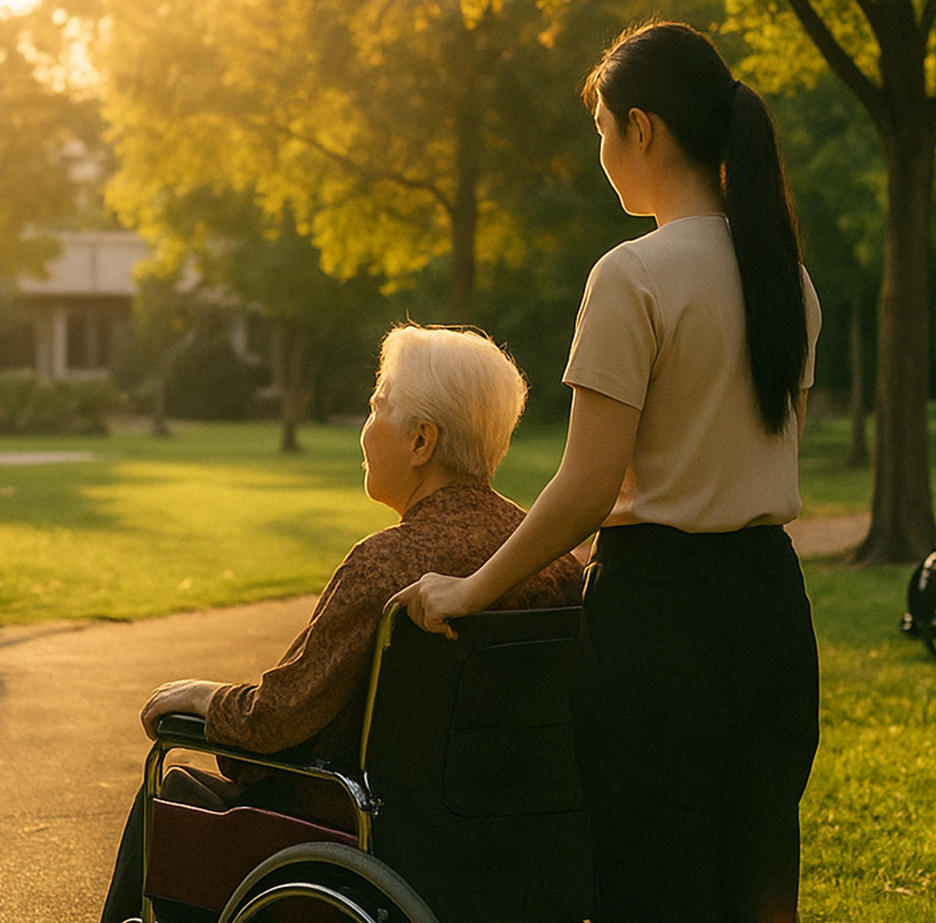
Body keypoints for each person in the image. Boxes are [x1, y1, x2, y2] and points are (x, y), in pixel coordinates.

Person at [393, 21, 822, 923]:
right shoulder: (786, 277)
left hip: (660, 624)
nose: (600, 153)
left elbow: (589, 488)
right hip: (772, 612)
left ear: (642, 129)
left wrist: (471, 588)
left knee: (652, 887)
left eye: (600, 129)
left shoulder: (633, 276)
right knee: (757, 888)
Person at [98, 325, 585, 923]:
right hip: (515, 844)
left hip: (374, 836)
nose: (365, 426)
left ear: (421, 441)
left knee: (171, 789)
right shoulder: (554, 565)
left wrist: (204, 696)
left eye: (377, 407)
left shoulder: (386, 564)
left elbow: (277, 719)